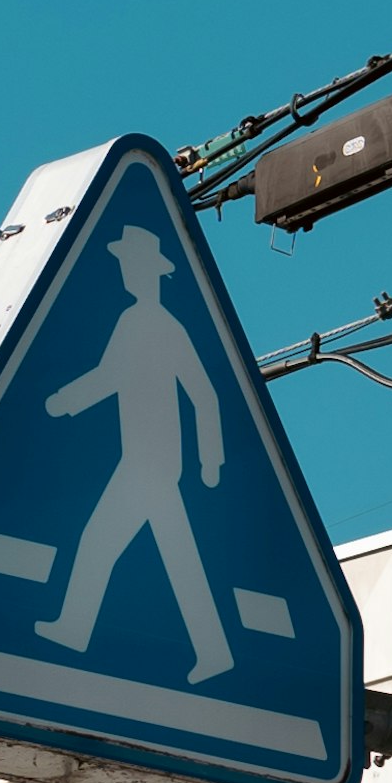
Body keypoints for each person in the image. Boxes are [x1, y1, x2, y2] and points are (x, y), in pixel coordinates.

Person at [36, 222, 232, 680]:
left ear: (147, 272)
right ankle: (212, 651)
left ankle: (75, 628)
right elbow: (115, 376)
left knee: (104, 544)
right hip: (149, 461)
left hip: (151, 463)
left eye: (130, 264)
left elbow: (204, 393)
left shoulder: (150, 323)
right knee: (163, 554)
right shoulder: (147, 321)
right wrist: (69, 400)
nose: (125, 271)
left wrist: (212, 461)